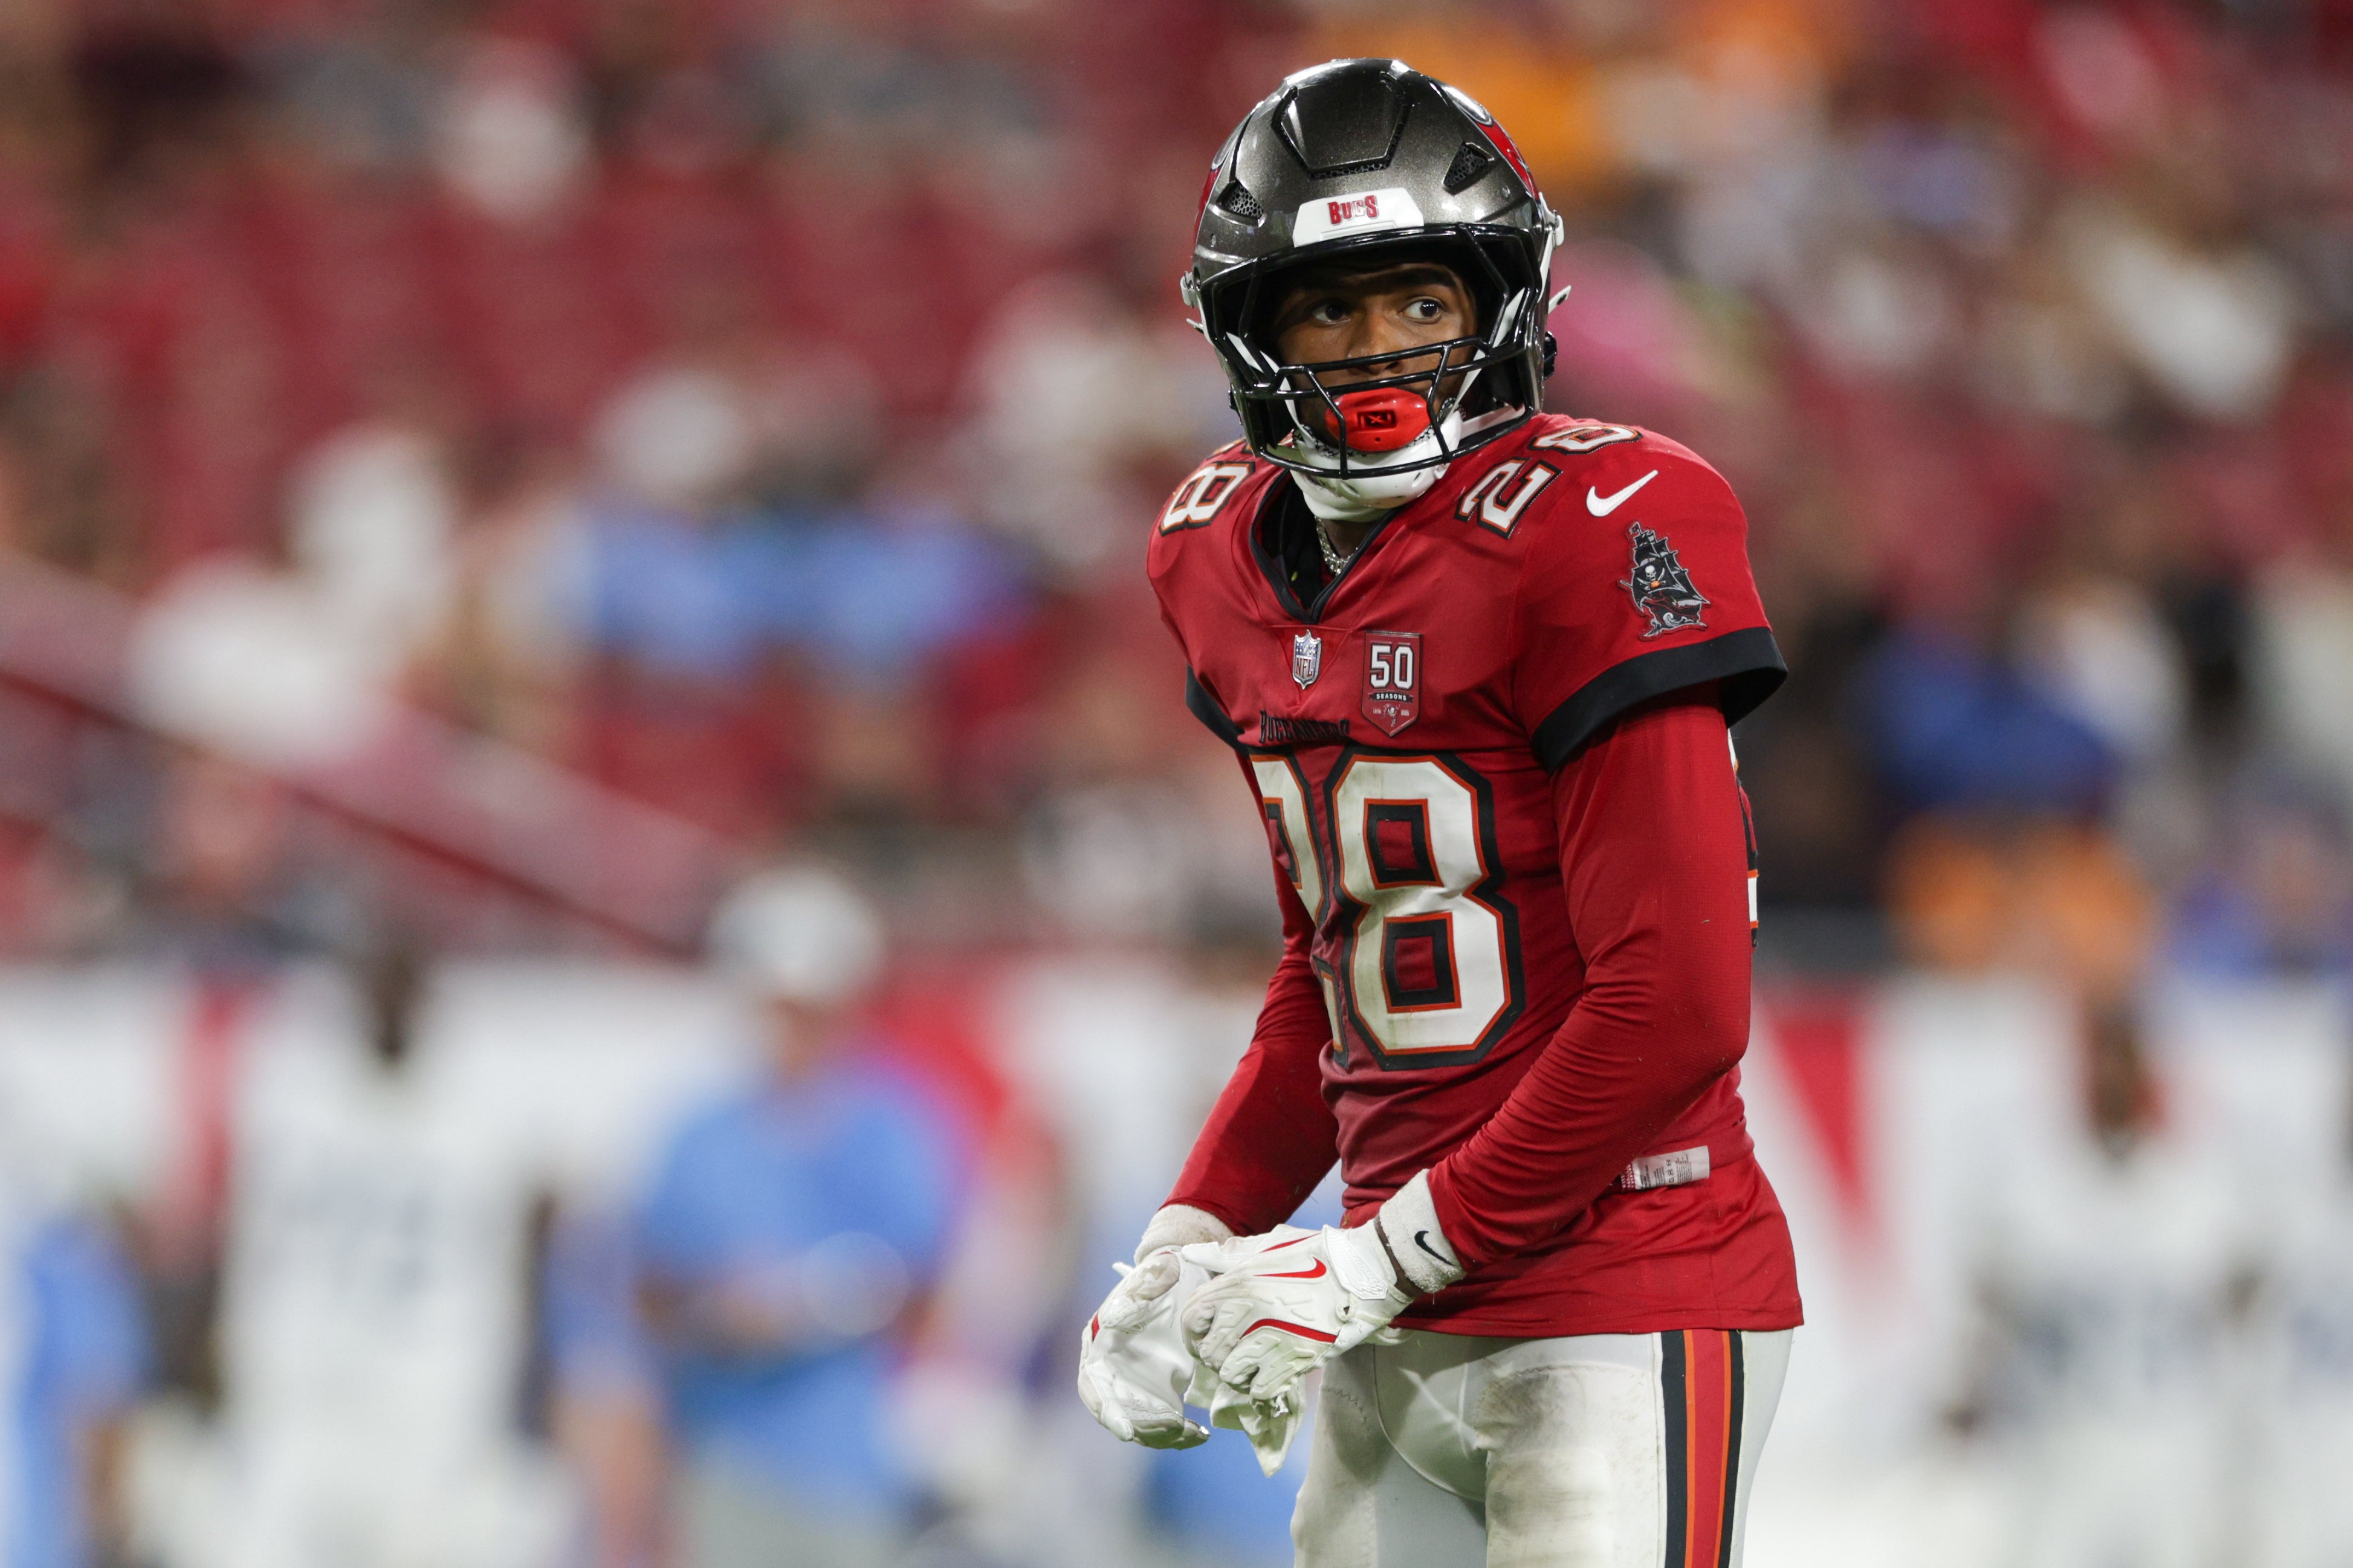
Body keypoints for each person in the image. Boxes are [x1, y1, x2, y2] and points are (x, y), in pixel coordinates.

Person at [1077, 60, 1802, 1565]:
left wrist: (1373, 1260)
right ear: (1249, 334)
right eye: (1324, 310)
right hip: (1391, 1297)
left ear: (1500, 300)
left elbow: (1676, 999)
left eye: (1416, 300)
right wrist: (1189, 1237)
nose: (1372, 349)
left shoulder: (1600, 523)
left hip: (1618, 1279)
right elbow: (1332, 970)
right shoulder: (1215, 548)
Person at [632, 868, 962, 1568]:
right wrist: (713, 1312)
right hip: (722, 1455)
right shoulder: (701, 1132)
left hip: (849, 1464)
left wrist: (809, 1305)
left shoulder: (893, 1121)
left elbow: (924, 1283)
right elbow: (650, 1284)